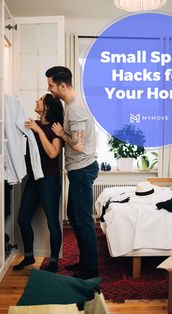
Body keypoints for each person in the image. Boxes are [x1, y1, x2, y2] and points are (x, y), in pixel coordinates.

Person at [45, 66, 99, 279]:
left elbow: (77, 145)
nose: (49, 89)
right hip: (78, 170)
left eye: (51, 85)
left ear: (62, 86)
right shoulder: (71, 106)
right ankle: (85, 262)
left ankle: (91, 270)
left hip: (83, 169)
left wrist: (61, 134)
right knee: (75, 217)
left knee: (82, 219)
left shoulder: (75, 108)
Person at [13, 93, 64, 273]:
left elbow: (52, 153)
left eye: (40, 100)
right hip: (34, 179)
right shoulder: (32, 125)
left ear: (47, 107)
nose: (36, 101)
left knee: (52, 223)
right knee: (23, 219)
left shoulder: (55, 128)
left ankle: (54, 262)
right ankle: (28, 256)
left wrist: (39, 130)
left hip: (49, 179)